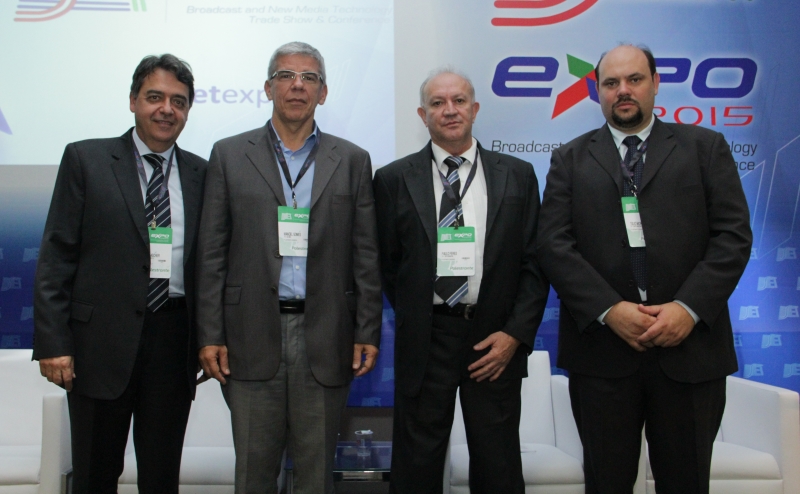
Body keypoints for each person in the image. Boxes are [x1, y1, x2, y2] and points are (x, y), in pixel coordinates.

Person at [537, 44, 752, 493]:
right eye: (611, 83)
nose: (623, 91)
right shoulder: (569, 158)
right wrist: (610, 310)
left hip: (690, 353)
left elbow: (732, 237)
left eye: (634, 79)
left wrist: (687, 309)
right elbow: (554, 245)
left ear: (655, 83)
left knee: (686, 482)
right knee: (606, 483)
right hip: (602, 354)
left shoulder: (705, 147)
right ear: (598, 91)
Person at [195, 41, 382, 494]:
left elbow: (366, 255)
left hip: (327, 335)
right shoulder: (228, 154)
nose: (297, 85)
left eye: (309, 78)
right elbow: (212, 253)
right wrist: (210, 333)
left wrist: (366, 330)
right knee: (253, 475)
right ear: (268, 88)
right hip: (249, 334)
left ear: (323, 92)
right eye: (286, 76)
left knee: (316, 477)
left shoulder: (352, 160)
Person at [33, 54, 207, 493]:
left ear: (188, 110)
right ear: (133, 101)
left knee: (161, 478)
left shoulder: (202, 173)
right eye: (155, 97)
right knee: (95, 475)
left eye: (178, 101)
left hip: (173, 343)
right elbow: (56, 257)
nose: (166, 109)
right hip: (98, 345)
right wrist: (54, 343)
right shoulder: (86, 159)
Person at [373, 68, 549, 493]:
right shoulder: (393, 179)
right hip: (426, 338)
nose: (449, 110)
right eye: (437, 103)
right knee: (417, 466)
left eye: (458, 101)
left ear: (475, 108)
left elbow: (536, 263)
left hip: (494, 338)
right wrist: (418, 311)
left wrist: (514, 334)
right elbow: (389, 264)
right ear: (423, 114)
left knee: (497, 464)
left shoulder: (518, 174)